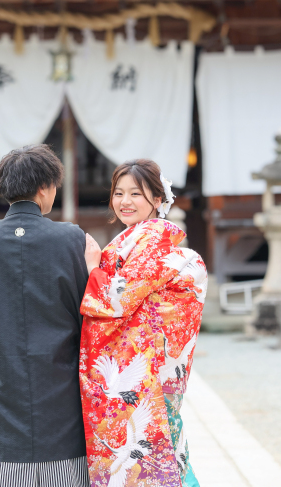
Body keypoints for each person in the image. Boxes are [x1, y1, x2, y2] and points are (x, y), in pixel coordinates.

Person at [0, 144, 90, 487]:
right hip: (59, 381)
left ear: (5, 188)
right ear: (45, 187)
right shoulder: (70, 239)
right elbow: (86, 313)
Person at [79, 159, 208, 487]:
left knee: (148, 446)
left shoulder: (151, 239)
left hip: (147, 369)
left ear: (156, 199)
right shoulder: (133, 240)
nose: (124, 201)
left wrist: (94, 267)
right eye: (118, 193)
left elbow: (115, 301)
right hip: (146, 366)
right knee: (160, 446)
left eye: (136, 193)